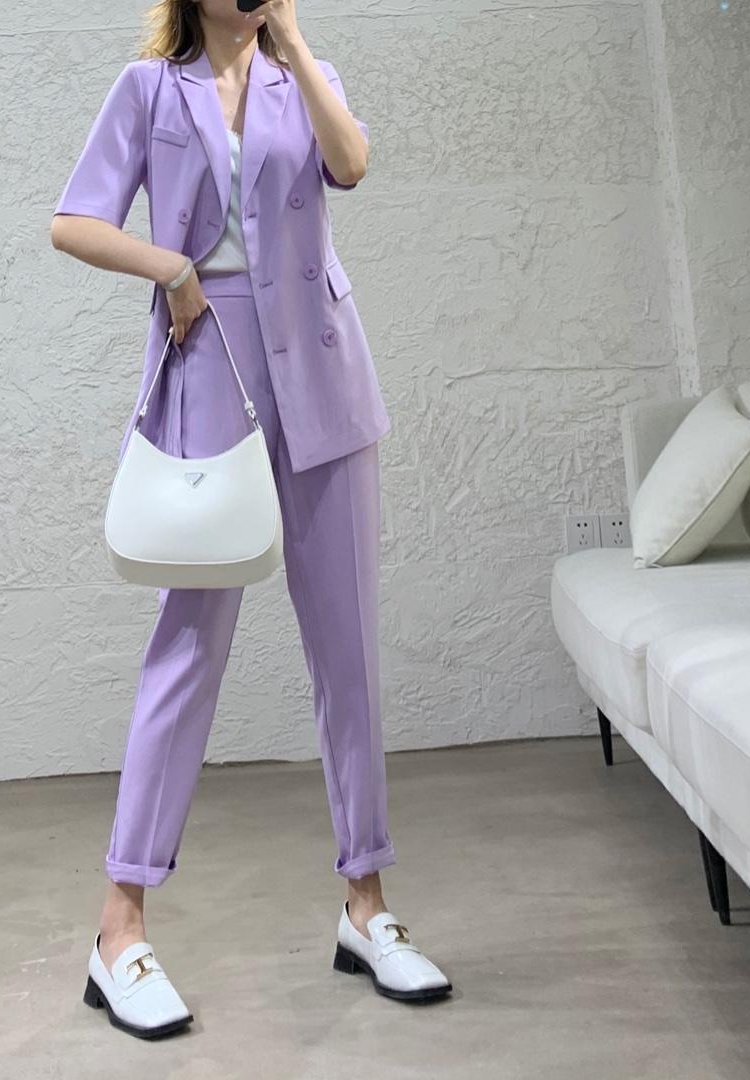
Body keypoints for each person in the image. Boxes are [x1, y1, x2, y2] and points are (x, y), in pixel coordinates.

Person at [50, 0, 451, 1040]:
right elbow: (73, 219)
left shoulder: (299, 77)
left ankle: (367, 907)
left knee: (349, 649)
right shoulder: (150, 88)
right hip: (213, 371)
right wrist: (170, 266)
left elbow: (351, 163)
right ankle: (119, 931)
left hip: (323, 371)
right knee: (187, 648)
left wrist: (296, 45)